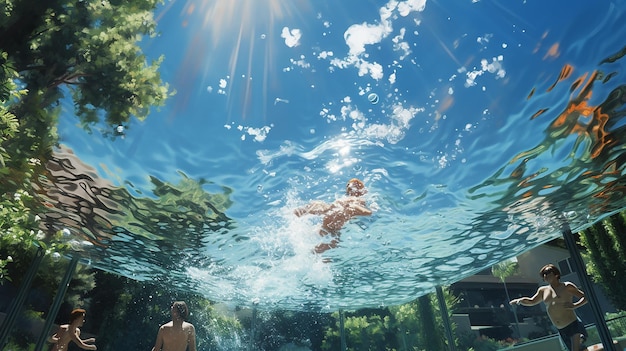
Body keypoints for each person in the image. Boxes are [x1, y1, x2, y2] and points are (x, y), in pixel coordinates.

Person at [509, 264, 588, 351]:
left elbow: (586, 297)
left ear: (556, 275)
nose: (545, 276)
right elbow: (532, 301)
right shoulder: (543, 290)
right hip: (561, 329)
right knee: (580, 349)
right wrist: (519, 300)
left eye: (547, 273)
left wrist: (575, 305)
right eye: (544, 274)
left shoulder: (567, 286)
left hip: (573, 325)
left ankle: (580, 338)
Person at [294, 178, 373, 253]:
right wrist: (366, 211)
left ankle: (307, 210)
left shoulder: (343, 199)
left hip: (329, 215)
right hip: (337, 221)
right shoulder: (358, 199)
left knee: (324, 207)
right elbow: (363, 211)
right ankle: (311, 253)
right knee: (334, 241)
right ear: (361, 191)